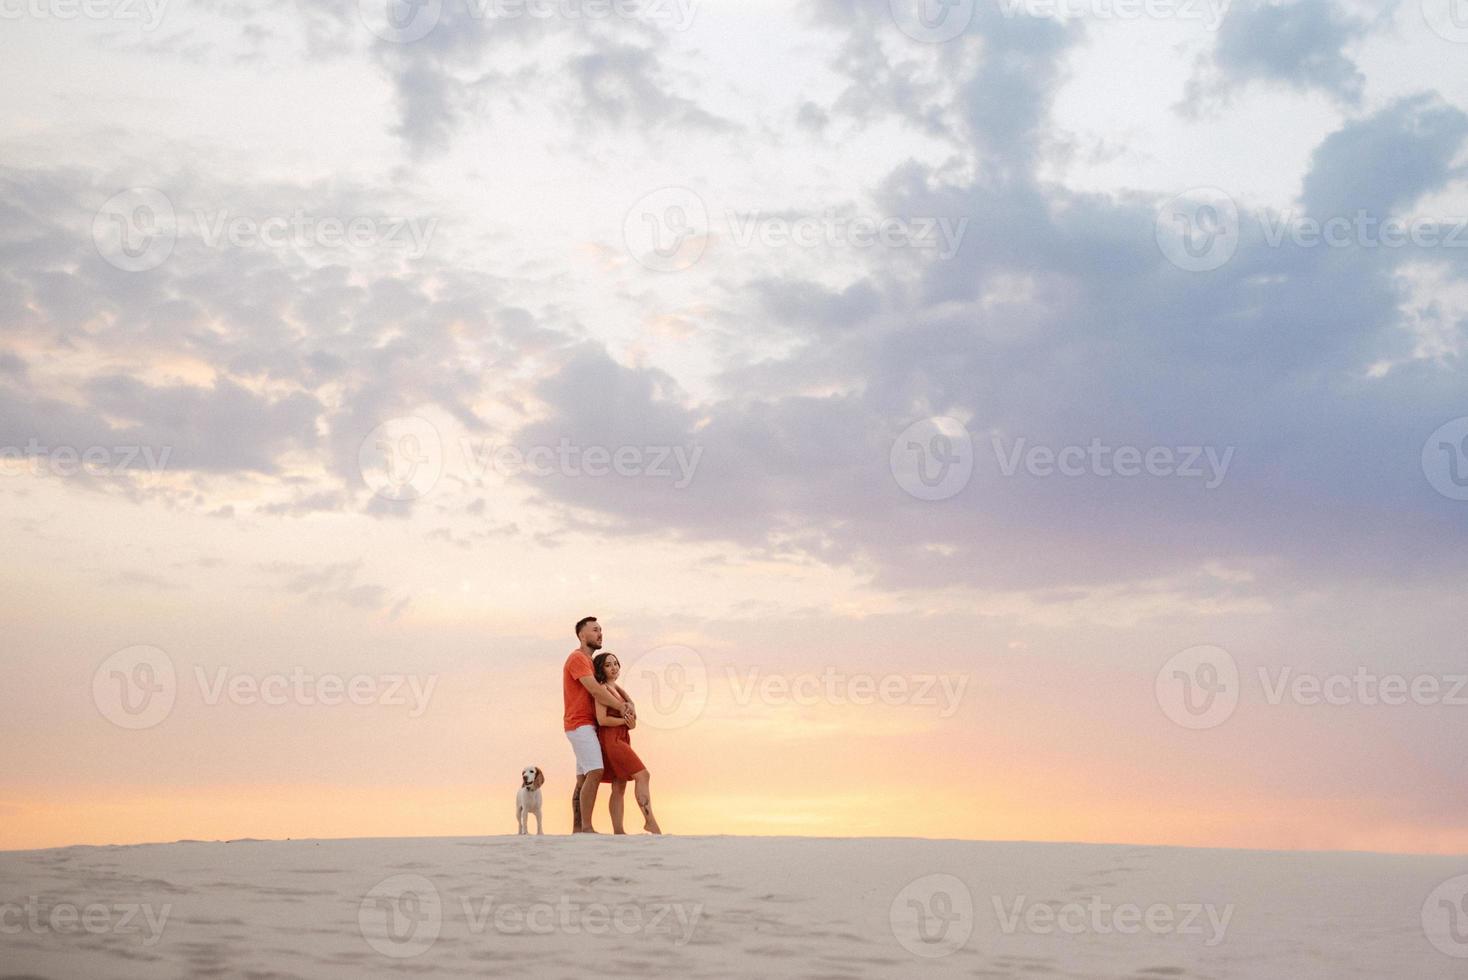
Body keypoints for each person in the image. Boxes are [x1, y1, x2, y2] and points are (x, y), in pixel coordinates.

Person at [563, 616, 631, 833]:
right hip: (579, 724)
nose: (600, 633)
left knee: (583, 777)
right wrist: (620, 708)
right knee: (595, 771)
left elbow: (607, 686)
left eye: (601, 630)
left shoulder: (590, 663)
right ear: (582, 635)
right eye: (594, 630)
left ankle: (577, 829)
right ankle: (587, 827)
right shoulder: (577, 658)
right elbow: (595, 690)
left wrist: (626, 701)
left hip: (588, 725)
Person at [593, 652, 662, 834]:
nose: (614, 667)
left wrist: (630, 722)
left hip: (622, 737)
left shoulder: (618, 689)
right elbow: (602, 719)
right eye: (608, 665)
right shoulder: (602, 689)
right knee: (643, 775)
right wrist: (624, 722)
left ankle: (618, 831)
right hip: (612, 740)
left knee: (619, 784)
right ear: (601, 669)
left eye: (615, 663)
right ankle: (650, 821)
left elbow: (630, 717)